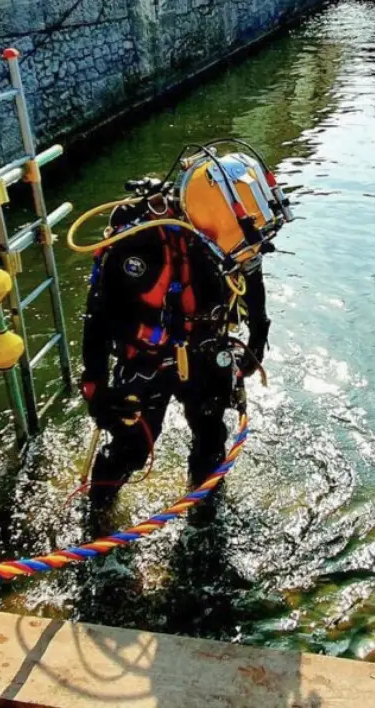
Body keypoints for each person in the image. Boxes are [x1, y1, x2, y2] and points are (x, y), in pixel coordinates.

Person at [76, 151, 286, 518]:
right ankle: (99, 518)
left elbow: (253, 282)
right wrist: (95, 387)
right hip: (146, 359)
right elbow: (98, 314)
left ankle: (204, 519)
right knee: (131, 449)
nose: (245, 255)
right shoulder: (138, 246)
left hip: (206, 352)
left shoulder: (231, 243)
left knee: (210, 437)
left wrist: (257, 341)